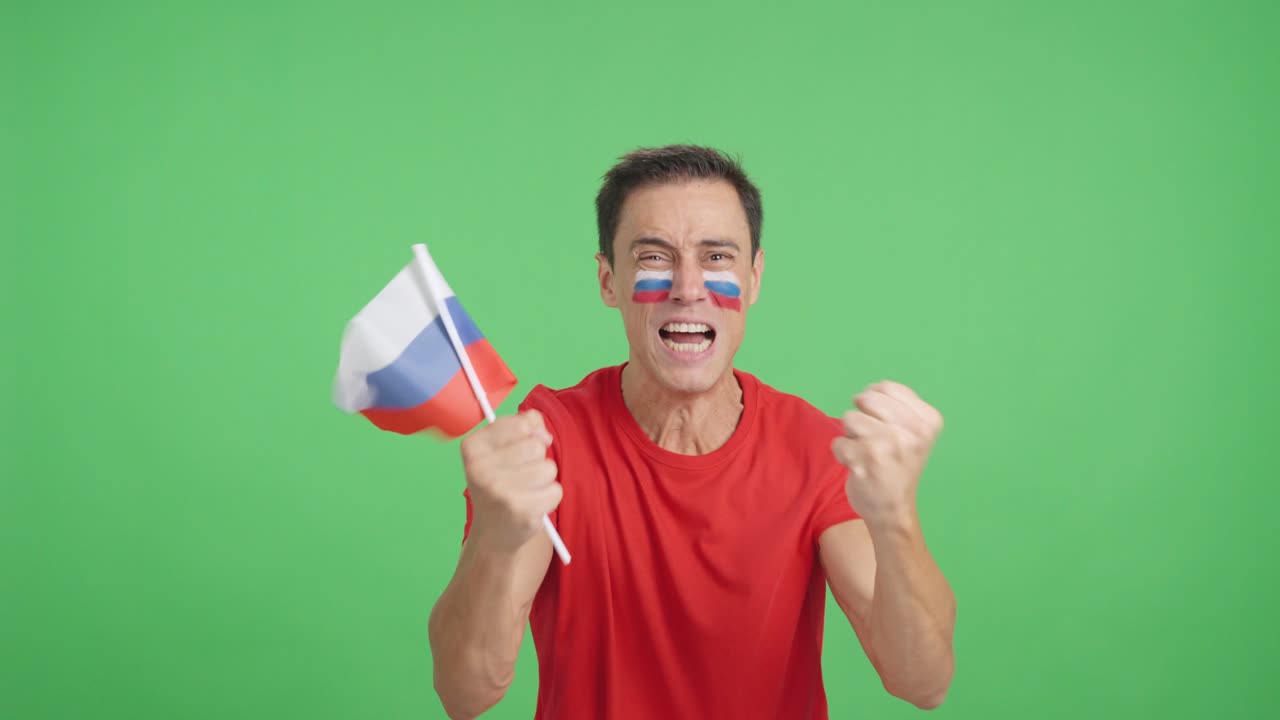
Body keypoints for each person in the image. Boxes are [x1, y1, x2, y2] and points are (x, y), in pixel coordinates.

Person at [428, 145, 956, 719]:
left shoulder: (813, 447)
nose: (687, 287)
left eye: (716, 258)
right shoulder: (546, 441)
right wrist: (495, 541)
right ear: (609, 281)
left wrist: (896, 516)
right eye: (655, 258)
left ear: (753, 278)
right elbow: (466, 693)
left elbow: (921, 681)